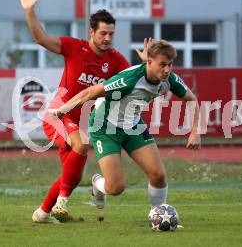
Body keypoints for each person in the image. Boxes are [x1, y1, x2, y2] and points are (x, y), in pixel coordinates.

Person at [18, 0, 150, 223]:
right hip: (59, 114)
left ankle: (42, 213)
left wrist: (146, 64)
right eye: (102, 33)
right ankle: (61, 204)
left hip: (83, 122)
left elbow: (135, 79)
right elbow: (40, 37)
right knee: (81, 145)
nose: (107, 38)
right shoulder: (72, 47)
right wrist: (29, 12)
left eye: (111, 34)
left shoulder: (115, 60)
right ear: (92, 32)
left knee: (72, 175)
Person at [49, 40, 201, 211]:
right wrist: (63, 109)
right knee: (116, 188)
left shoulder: (169, 79)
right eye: (163, 65)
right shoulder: (129, 79)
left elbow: (191, 99)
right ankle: (97, 184)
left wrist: (195, 131)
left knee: (158, 175)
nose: (167, 70)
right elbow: (91, 92)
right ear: (149, 63)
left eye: (170, 65)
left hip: (133, 125)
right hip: (105, 126)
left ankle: (159, 213)